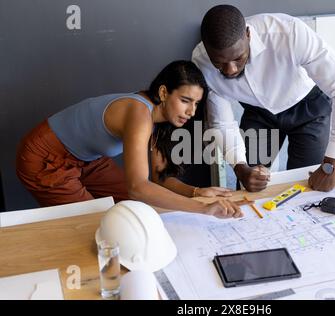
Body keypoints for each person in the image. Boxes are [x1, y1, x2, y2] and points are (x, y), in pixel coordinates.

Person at [16, 60, 250, 219]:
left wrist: (197, 193)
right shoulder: (140, 114)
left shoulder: (161, 118)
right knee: (97, 223)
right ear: (163, 93)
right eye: (186, 100)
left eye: (196, 104)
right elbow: (138, 187)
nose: (191, 111)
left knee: (143, 207)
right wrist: (203, 210)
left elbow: (160, 180)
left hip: (89, 159)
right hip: (46, 157)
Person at [192, 5, 335, 192]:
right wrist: (241, 169)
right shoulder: (200, 61)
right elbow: (222, 123)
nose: (230, 69)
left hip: (308, 108)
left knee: (308, 186)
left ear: (248, 35)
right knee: (249, 184)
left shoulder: (289, 33)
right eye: (219, 63)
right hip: (258, 113)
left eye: (238, 58)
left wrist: (331, 163)